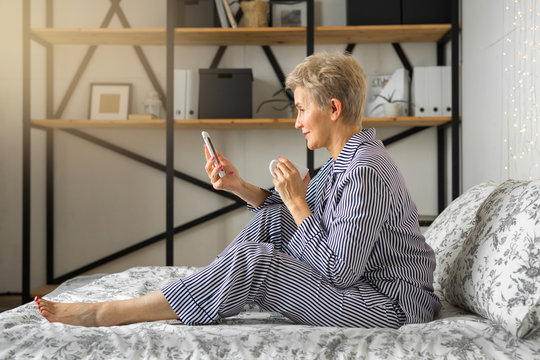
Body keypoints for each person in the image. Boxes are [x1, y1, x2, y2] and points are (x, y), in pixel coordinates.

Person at [35, 52, 441, 328]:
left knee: (256, 262)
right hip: (364, 287)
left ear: (333, 109)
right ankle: (196, 291)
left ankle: (110, 312)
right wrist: (239, 186)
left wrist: (297, 200)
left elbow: (340, 271)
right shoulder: (345, 161)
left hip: (391, 306)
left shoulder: (366, 170)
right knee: (270, 220)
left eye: (302, 109)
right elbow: (286, 216)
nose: (297, 121)